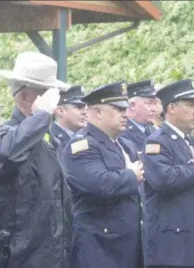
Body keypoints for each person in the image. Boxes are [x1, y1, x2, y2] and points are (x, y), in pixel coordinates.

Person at [0, 51, 71, 268]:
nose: (53, 104)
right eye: (45, 94)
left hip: (53, 256)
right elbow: (8, 153)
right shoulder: (7, 135)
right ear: (24, 97)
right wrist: (42, 115)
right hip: (20, 258)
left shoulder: (42, 139)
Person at [62, 81, 145, 268]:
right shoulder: (82, 146)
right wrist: (131, 175)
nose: (126, 114)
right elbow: (98, 183)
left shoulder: (125, 144)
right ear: (97, 112)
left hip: (128, 244)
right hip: (100, 246)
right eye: (118, 109)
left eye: (126, 108)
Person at [142, 79, 194, 268]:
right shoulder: (157, 142)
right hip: (174, 248)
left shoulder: (192, 142)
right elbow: (164, 179)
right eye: (190, 105)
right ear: (172, 108)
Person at [121, 79, 157, 151]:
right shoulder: (122, 132)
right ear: (132, 105)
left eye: (155, 103)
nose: (154, 109)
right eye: (149, 103)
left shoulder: (154, 130)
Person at [50, 85, 87, 155]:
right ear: (60, 111)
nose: (85, 112)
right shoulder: (50, 137)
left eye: (85, 107)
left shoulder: (85, 136)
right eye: (79, 107)